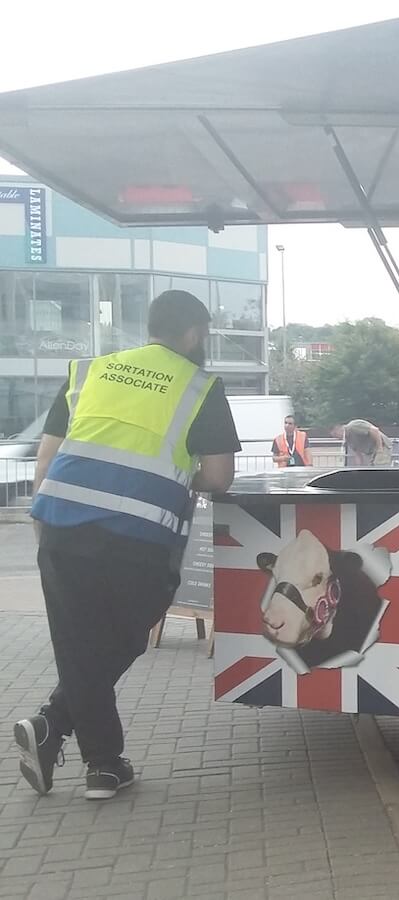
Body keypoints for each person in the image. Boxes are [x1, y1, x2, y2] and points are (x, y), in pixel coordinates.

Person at [18, 290, 240, 801]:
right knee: (122, 639)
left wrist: (41, 521)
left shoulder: (89, 371)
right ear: (195, 333)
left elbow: (47, 460)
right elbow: (219, 476)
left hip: (61, 526)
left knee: (80, 646)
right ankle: (96, 761)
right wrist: (177, 475)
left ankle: (70, 739)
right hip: (137, 537)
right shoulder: (200, 386)